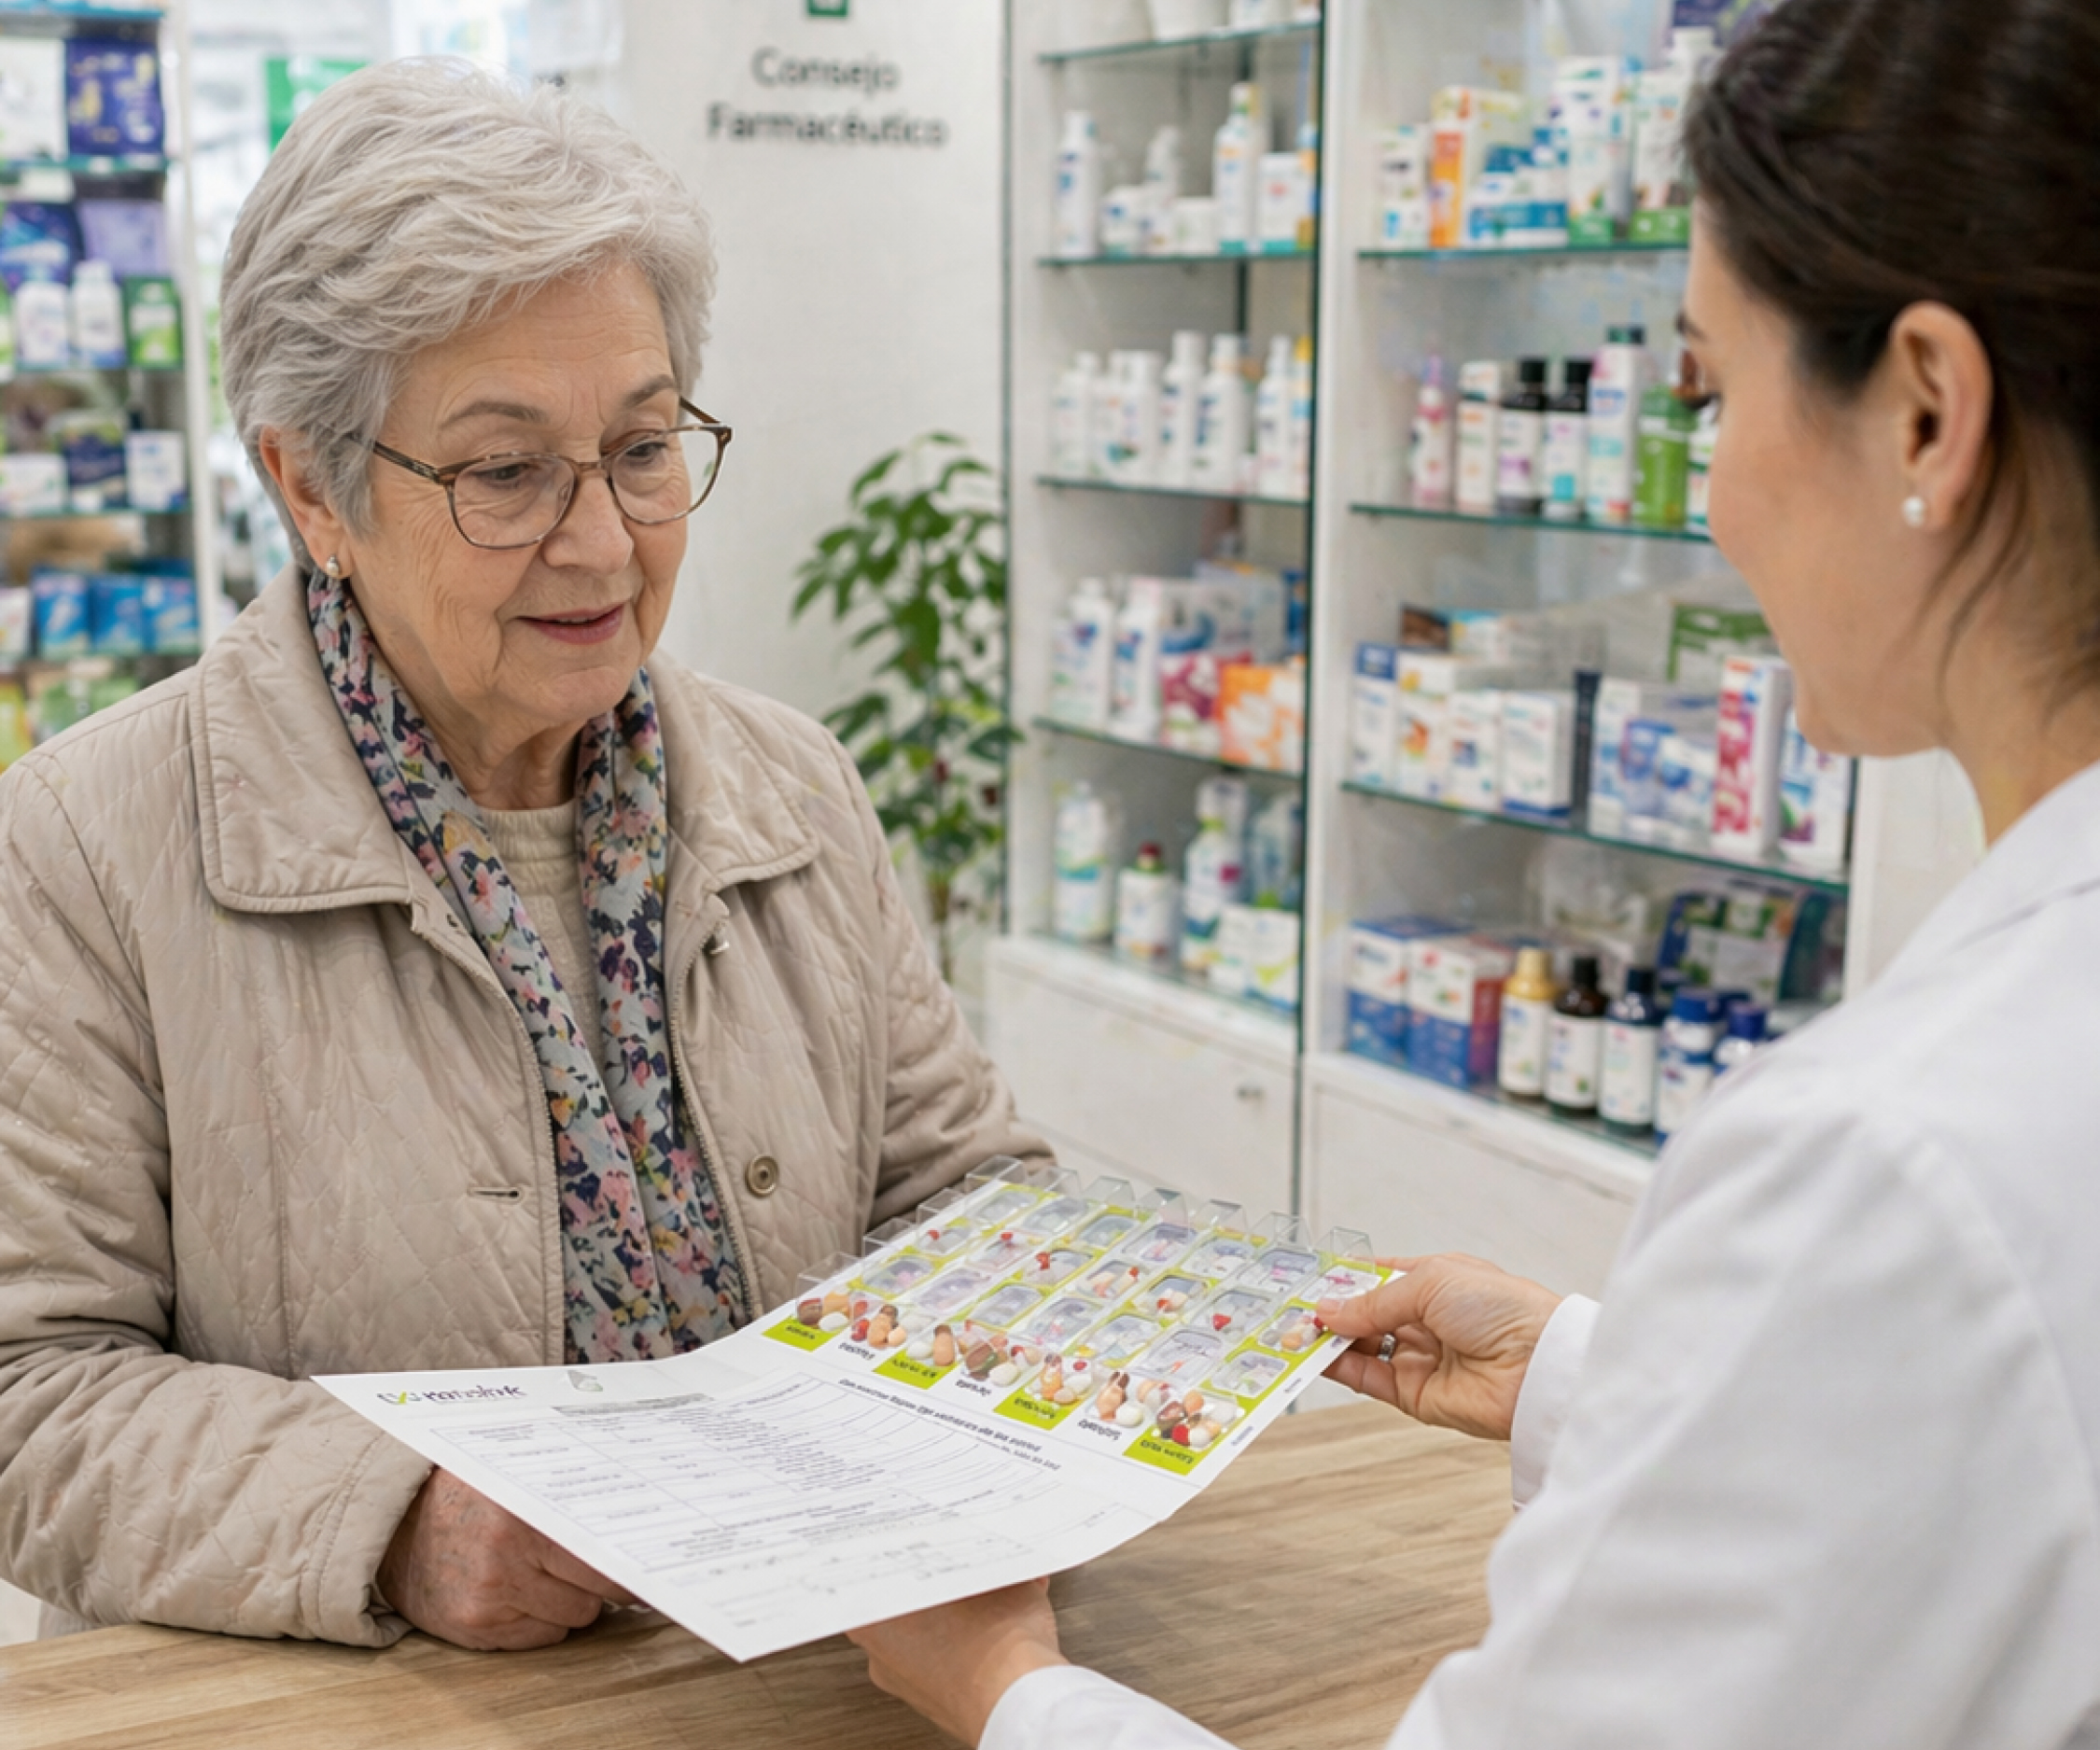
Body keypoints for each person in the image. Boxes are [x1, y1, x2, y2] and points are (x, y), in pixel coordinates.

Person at [847, 1, 2100, 1743]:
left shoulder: (1884, 1163)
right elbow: (1962, 1473)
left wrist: (1006, 1687)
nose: (1712, 488)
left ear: (1922, 415)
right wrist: (1583, 1378)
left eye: (1707, 383)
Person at [0, 60, 1044, 1653]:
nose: (603, 542)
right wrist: (393, 1519)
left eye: (639, 446)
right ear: (309, 488)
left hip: (831, 1679)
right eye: (504, 471)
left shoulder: (791, 790)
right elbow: (32, 1394)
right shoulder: (86, 847)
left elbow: (967, 1201)